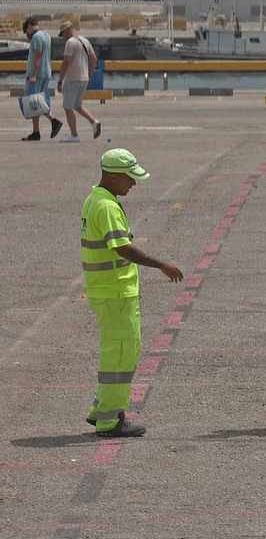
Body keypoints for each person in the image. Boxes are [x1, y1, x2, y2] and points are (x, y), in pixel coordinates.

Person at [80, 149, 184, 437]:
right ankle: (110, 419)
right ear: (113, 177)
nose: (134, 184)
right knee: (122, 355)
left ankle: (101, 408)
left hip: (109, 290)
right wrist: (161, 264)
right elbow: (122, 248)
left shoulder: (96, 200)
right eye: (130, 178)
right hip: (114, 293)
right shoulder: (107, 207)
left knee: (116, 352)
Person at [56, 22, 102, 142]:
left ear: (67, 30)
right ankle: (94, 122)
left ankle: (74, 134)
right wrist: (89, 75)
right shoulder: (85, 40)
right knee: (77, 105)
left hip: (72, 79)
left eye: (63, 33)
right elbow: (94, 59)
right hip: (83, 79)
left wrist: (60, 81)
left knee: (68, 107)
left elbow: (66, 62)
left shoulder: (70, 43)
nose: (63, 37)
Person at [21, 16, 63, 141]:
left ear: (29, 26)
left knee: (34, 101)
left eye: (26, 31)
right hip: (46, 71)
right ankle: (36, 132)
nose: (27, 35)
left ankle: (54, 120)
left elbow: (37, 56)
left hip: (37, 74)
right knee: (37, 101)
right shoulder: (46, 35)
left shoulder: (36, 37)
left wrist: (33, 75)